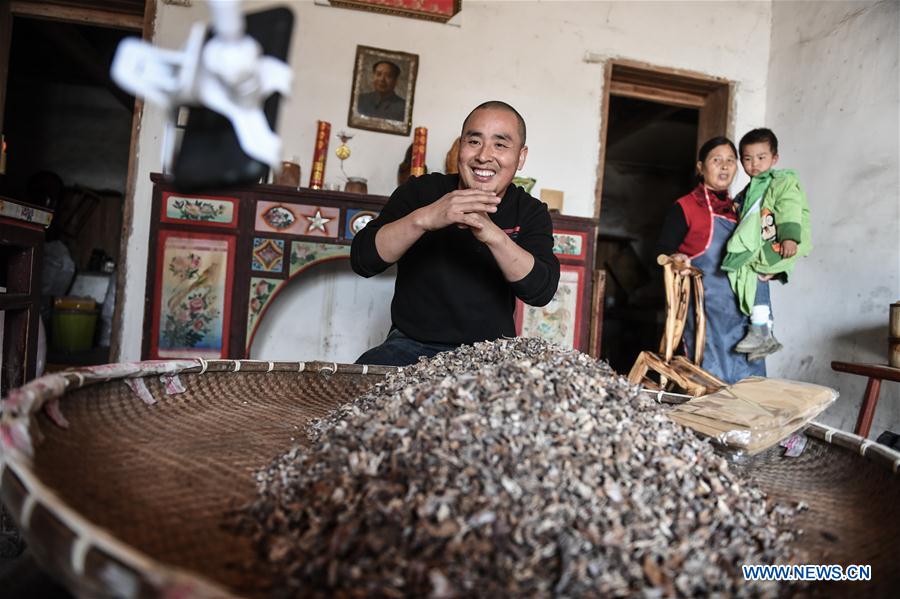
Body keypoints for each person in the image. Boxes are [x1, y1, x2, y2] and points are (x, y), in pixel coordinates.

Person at [351, 101, 560, 366]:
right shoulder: (420, 192)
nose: (484, 156)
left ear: (520, 157)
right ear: (460, 147)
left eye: (500, 144)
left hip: (490, 353)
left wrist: (491, 233)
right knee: (358, 386)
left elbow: (541, 291)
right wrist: (426, 218)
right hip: (410, 346)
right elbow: (363, 260)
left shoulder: (529, 211)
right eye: (474, 141)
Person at [656, 136, 763, 383]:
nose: (725, 166)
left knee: (749, 382)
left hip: (741, 309)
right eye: (717, 160)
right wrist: (676, 258)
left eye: (730, 160)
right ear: (700, 167)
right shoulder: (686, 207)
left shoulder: (741, 210)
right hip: (705, 310)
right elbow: (661, 251)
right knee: (712, 381)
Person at [722, 128, 812, 359]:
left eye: (761, 158)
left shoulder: (780, 182)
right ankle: (762, 333)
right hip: (756, 248)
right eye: (748, 159)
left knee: (756, 277)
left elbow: (789, 207)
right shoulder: (748, 191)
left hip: (775, 243)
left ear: (774, 159)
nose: (754, 164)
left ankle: (761, 331)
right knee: (750, 280)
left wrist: (789, 237)